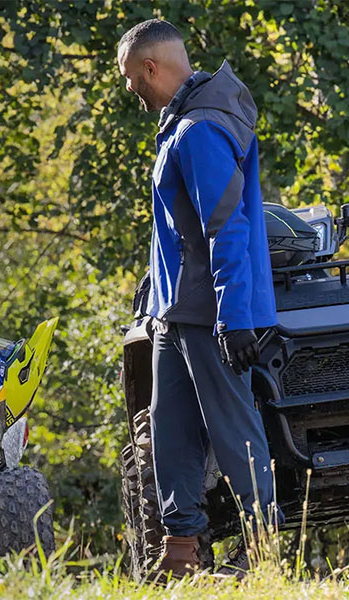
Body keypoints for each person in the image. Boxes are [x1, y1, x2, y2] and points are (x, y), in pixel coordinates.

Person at [117, 19, 282, 578]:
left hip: (211, 313)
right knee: (171, 434)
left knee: (236, 434)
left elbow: (225, 228)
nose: (130, 92)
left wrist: (234, 318)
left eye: (129, 80)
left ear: (150, 68)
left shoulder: (201, 130)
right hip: (172, 311)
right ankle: (180, 553)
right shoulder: (181, 126)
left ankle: (263, 554)